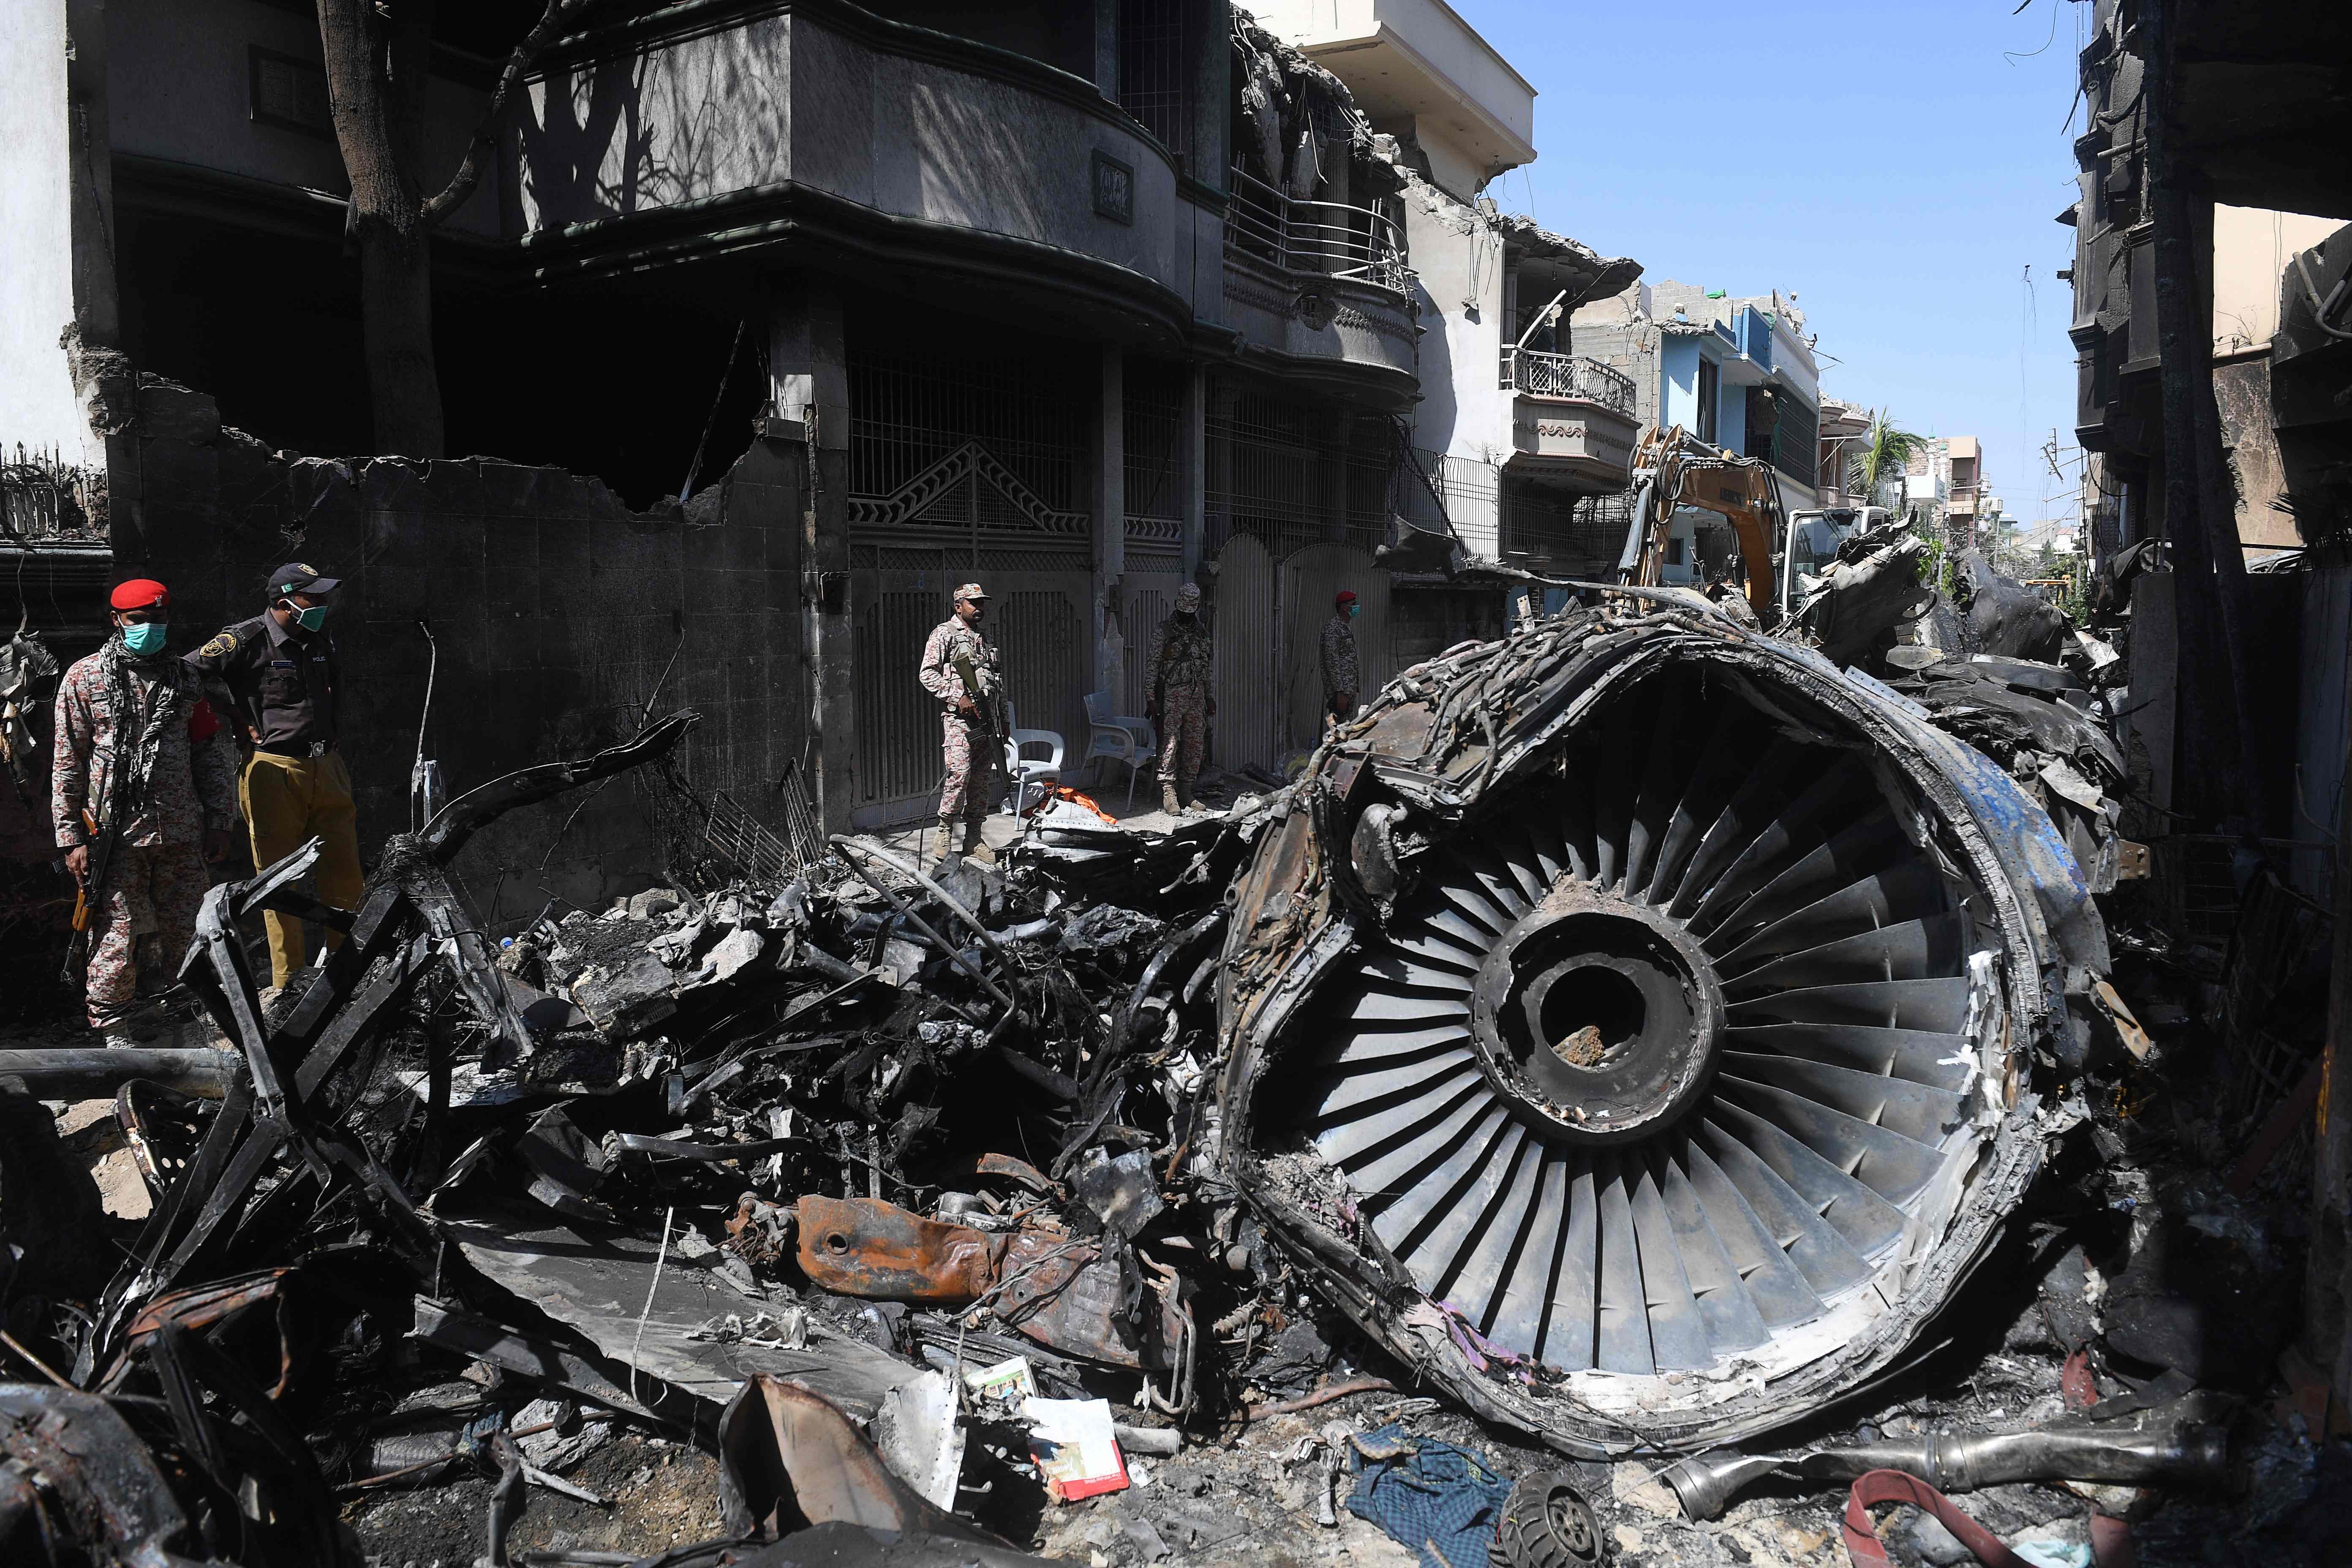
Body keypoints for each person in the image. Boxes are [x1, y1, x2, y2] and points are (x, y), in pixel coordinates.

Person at [52, 579, 238, 1041]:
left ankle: (192, 1016)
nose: (150, 627)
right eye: (139, 620)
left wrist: (220, 821)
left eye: (158, 618)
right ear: (117, 620)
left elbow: (208, 754)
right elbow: (68, 759)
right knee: (118, 933)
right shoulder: (85, 677)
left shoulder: (186, 678)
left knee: (190, 930)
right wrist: (70, 836)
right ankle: (116, 1027)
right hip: (114, 836)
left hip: (179, 828)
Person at [184, 562, 364, 991]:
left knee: (346, 877)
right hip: (274, 770)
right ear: (284, 601)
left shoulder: (320, 639)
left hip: (328, 766)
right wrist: (231, 713)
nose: (322, 605)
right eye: (312, 598)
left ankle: (353, 974)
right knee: (281, 882)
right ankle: (290, 984)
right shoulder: (244, 639)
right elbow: (188, 671)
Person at [917, 583, 1006, 863]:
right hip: (960, 721)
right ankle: (944, 828)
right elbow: (927, 674)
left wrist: (1003, 718)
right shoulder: (945, 634)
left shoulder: (985, 637)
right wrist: (958, 697)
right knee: (959, 773)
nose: (979, 608)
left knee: (980, 779)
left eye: (982, 603)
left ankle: (974, 838)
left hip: (988, 721)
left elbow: (997, 682)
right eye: (973, 603)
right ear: (958, 606)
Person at [1144, 582, 1215, 816]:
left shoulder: (1201, 632)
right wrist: (1151, 698)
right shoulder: (1163, 631)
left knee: (1195, 744)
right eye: (1184, 610)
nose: (1187, 614)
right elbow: (1153, 665)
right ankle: (1168, 792)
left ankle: (1186, 790)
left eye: (1190, 610)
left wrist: (1209, 695)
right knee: (1170, 744)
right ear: (1177, 605)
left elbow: (1205, 666)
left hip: (1196, 697)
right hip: (1172, 697)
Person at [1320, 588, 1361, 731]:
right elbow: (1332, 662)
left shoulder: (1345, 627)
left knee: (1348, 729)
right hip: (1341, 693)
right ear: (1345, 607)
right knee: (1338, 731)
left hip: (1348, 690)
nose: (1357, 607)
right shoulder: (1333, 628)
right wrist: (1340, 692)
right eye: (1353, 604)